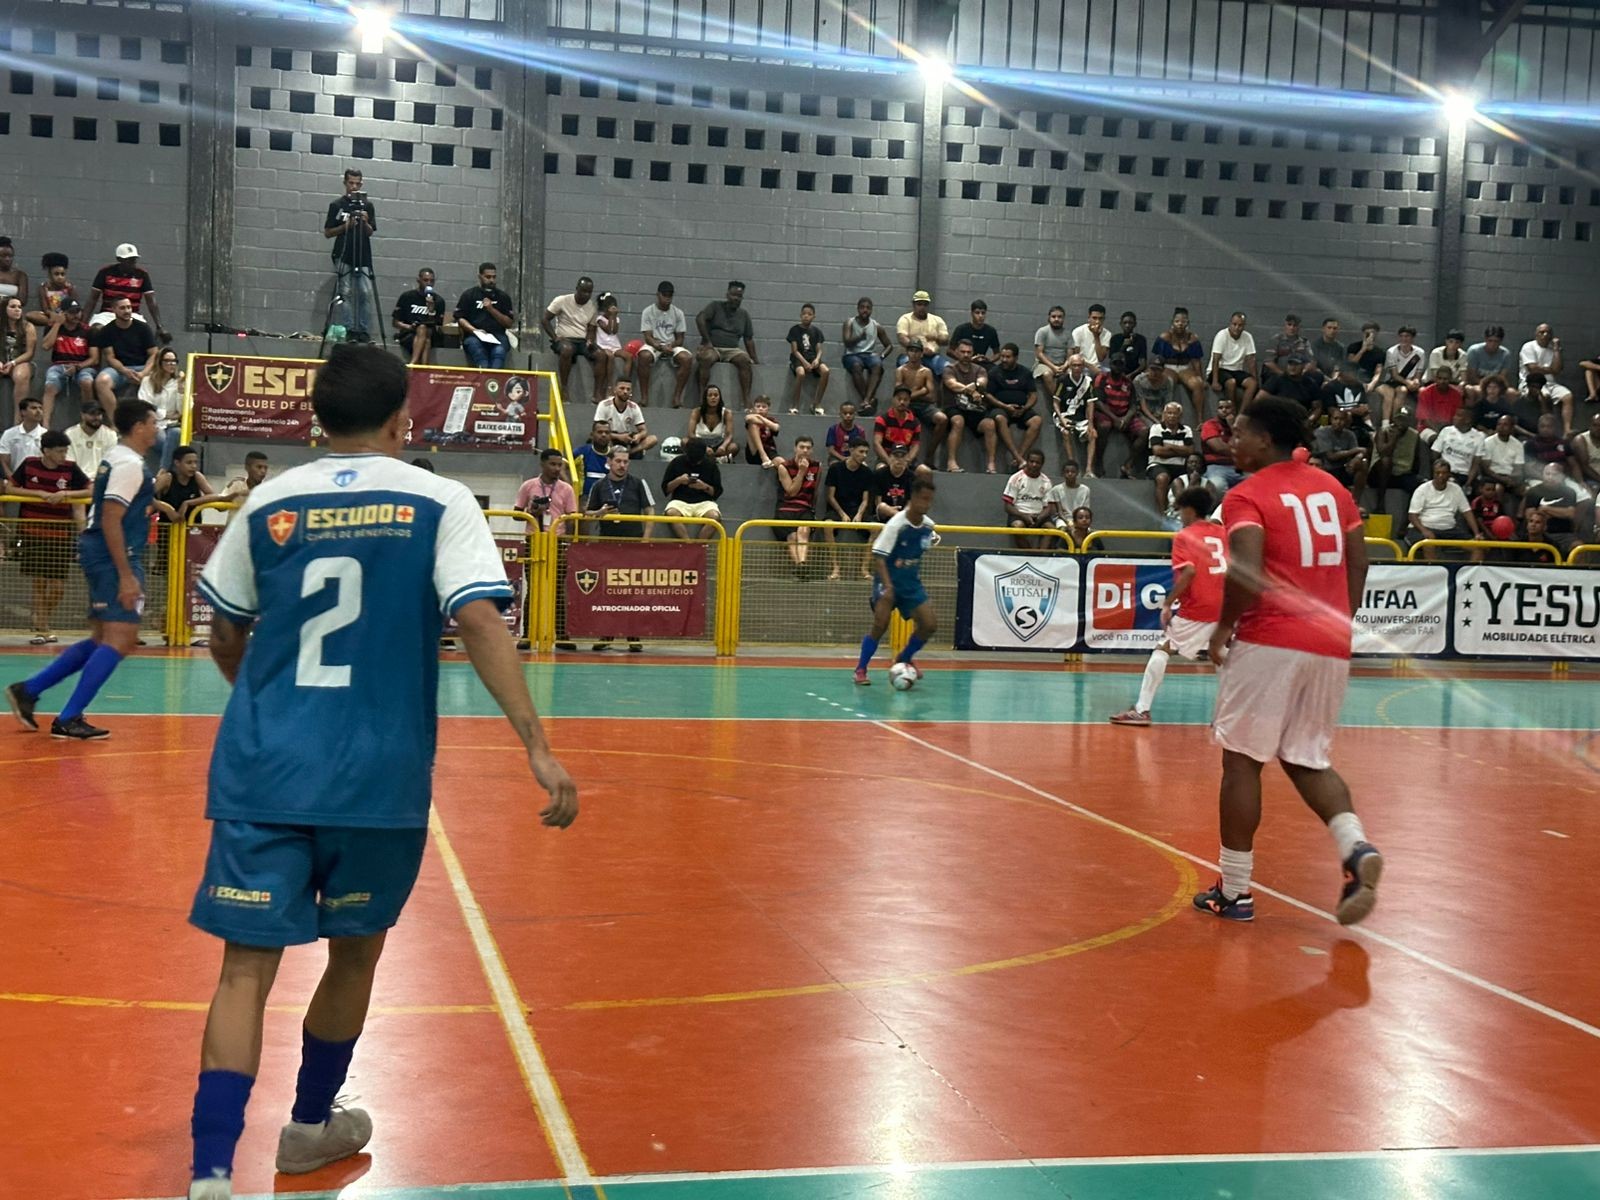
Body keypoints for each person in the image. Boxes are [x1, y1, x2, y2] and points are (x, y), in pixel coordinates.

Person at [171, 345, 576, 1200]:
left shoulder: (267, 501)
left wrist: (271, 709)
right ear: (405, 420)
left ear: (316, 421)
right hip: (376, 777)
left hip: (264, 770)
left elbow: (225, 634)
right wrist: (535, 744)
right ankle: (310, 1128)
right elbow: (478, 621)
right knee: (353, 957)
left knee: (244, 969)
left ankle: (209, 1178)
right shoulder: (441, 501)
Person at [1201, 396, 1383, 926]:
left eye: (1238, 432)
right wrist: (1339, 620)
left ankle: (1234, 893)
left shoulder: (1246, 494)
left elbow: (1248, 570)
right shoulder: (1334, 488)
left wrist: (1225, 626)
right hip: (1329, 643)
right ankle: (1356, 849)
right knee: (1308, 758)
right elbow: (1359, 559)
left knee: (1241, 761)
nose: (1229, 441)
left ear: (1266, 440)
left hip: (1269, 640)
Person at [6, 398, 159, 740]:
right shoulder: (128, 464)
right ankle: (68, 716)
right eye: (153, 423)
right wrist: (125, 575)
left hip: (103, 552)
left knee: (103, 638)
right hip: (111, 555)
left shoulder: (120, 459)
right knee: (121, 640)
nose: (157, 428)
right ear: (138, 427)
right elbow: (110, 517)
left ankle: (29, 690)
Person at [1110, 486, 1226, 726]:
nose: (1180, 514)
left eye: (1181, 509)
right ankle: (1225, 715)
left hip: (1199, 607)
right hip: (1225, 604)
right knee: (1221, 655)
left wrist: (1168, 603)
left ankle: (1142, 709)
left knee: (1163, 648)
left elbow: (1190, 572)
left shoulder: (1184, 536)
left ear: (1191, 510)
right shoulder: (1222, 533)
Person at [10, 430, 92, 645]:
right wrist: (38, 494)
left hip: (61, 533)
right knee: (39, 582)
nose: (64, 455)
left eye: (65, 450)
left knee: (57, 586)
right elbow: (10, 487)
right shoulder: (29, 464)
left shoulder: (70, 468)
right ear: (46, 451)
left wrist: (65, 494)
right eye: (59, 451)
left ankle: (40, 618)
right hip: (32, 531)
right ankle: (43, 629)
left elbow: (89, 489)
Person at [855, 476, 937, 686]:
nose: (925, 504)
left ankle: (905, 657)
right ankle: (861, 668)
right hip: (887, 581)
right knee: (880, 624)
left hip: (910, 584)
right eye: (922, 499)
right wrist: (889, 586)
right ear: (912, 498)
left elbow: (924, 547)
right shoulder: (896, 525)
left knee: (929, 625)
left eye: (929, 500)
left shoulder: (928, 526)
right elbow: (879, 556)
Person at [321, 172, 377, 341]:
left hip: (363, 255)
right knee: (345, 292)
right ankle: (350, 328)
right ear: (345, 183)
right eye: (351, 183)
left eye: (357, 184)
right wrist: (347, 225)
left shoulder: (368, 206)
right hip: (343, 253)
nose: (354, 187)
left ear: (361, 185)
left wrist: (365, 222)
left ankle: (363, 330)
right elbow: (328, 232)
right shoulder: (337, 205)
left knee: (365, 292)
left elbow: (370, 232)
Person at [89, 296, 158, 415]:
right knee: (101, 381)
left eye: (129, 307)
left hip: (142, 367)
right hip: (119, 369)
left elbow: (154, 354)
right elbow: (110, 357)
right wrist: (125, 371)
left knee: (159, 378)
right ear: (114, 310)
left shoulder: (143, 328)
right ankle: (115, 423)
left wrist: (143, 374)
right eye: (122, 308)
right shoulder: (107, 330)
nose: (127, 311)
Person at [696, 281, 758, 410]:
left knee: (745, 361)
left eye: (739, 296)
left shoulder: (744, 315)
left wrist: (755, 358)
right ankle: (702, 397)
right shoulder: (715, 306)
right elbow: (700, 318)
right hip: (714, 347)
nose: (736, 298)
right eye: (734, 295)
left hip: (733, 349)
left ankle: (746, 400)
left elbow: (749, 339)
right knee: (706, 358)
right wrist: (707, 341)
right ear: (727, 294)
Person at [88, 242, 168, 342]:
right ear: (119, 259)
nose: (133, 263)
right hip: (108, 314)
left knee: (145, 333)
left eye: (134, 259)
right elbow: (92, 299)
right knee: (95, 330)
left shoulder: (142, 274)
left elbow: (151, 302)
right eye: (129, 260)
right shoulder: (105, 272)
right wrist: (82, 324)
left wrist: (159, 326)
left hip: (132, 314)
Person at [632, 281, 694, 408]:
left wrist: (671, 346)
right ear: (658, 295)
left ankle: (677, 397)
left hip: (671, 344)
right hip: (654, 344)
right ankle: (644, 397)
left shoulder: (678, 313)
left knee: (687, 358)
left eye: (670, 295)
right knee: (643, 356)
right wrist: (659, 346)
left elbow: (680, 338)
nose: (667, 298)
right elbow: (648, 337)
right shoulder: (648, 311)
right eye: (664, 295)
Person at [982, 342, 1042, 472]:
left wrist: (1025, 408)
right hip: (1000, 408)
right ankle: (1018, 457)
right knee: (1000, 418)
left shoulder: (1025, 372)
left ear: (1016, 358)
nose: (1004, 360)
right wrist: (1005, 406)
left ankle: (1017, 459)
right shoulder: (994, 372)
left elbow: (1033, 395)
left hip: (1021, 409)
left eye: (1007, 357)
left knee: (1036, 421)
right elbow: (988, 395)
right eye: (1002, 356)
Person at [40, 300, 99, 427]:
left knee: (86, 382)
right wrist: (57, 324)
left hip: (83, 366)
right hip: (59, 365)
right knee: (50, 385)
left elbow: (94, 359)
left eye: (78, 311)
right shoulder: (53, 328)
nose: (76, 315)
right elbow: (45, 346)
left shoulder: (89, 331)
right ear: (63, 313)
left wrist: (77, 367)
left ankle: (87, 421)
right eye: (72, 312)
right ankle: (45, 426)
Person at [1407, 458, 1482, 554]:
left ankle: (1469, 569)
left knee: (1478, 548)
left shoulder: (1456, 489)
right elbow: (1412, 516)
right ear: (1433, 474)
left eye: (1444, 473)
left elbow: (1467, 512)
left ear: (1449, 474)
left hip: (1450, 530)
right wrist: (1424, 530)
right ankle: (1434, 569)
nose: (1440, 476)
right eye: (1437, 473)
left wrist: (1476, 533)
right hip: (1425, 527)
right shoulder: (1422, 490)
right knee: (1428, 543)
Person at [541, 276, 598, 401]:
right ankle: (564, 389)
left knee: (602, 355)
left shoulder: (592, 306)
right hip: (564, 339)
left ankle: (597, 393)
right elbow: (545, 319)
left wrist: (590, 340)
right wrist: (554, 337)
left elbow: (592, 328)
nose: (586, 295)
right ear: (577, 289)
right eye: (583, 291)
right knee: (567, 349)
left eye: (589, 292)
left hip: (582, 341)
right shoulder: (562, 300)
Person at [823, 440, 874, 580]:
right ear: (851, 450)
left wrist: (859, 514)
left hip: (857, 509)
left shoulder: (867, 472)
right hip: (838, 508)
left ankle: (864, 569)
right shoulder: (836, 469)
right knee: (828, 526)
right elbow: (830, 497)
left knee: (877, 528)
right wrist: (842, 514)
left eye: (866, 452)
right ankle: (835, 568)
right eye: (861, 451)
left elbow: (865, 500)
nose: (864, 455)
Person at [1091, 354, 1146, 479]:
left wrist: (1126, 418)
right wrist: (1115, 419)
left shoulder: (1128, 382)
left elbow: (1133, 405)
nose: (1118, 367)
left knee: (1144, 431)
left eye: (1121, 364)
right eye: (1115, 363)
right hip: (1106, 413)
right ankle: (1098, 462)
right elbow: (1098, 402)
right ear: (1110, 364)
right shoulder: (1101, 378)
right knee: (1104, 426)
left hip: (1124, 415)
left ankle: (1128, 465)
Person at [938, 338, 989, 472]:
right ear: (956, 352)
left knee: (990, 424)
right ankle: (951, 462)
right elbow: (952, 384)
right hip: (953, 407)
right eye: (963, 352)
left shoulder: (980, 369)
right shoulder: (949, 368)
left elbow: (982, 382)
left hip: (974, 409)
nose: (966, 355)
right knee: (958, 421)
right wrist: (972, 390)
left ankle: (991, 465)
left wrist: (975, 386)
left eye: (969, 352)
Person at [455, 262, 515, 370]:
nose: (491, 280)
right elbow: (460, 318)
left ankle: (493, 379)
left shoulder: (503, 297)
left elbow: (509, 323)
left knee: (499, 352)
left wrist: (491, 309)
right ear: (480, 277)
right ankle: (483, 379)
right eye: (488, 277)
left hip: (498, 335)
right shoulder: (469, 295)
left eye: (494, 277)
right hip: (475, 335)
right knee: (479, 353)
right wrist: (474, 331)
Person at [774, 436, 822, 572]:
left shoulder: (817, 466)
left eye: (808, 448)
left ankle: (801, 566)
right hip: (786, 508)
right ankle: (801, 566)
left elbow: (816, 491)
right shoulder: (784, 467)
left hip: (805, 508)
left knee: (803, 530)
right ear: (795, 448)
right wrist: (801, 472)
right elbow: (791, 492)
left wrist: (813, 511)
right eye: (802, 447)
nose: (805, 451)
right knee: (793, 536)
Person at [894, 340, 947, 460]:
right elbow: (899, 395)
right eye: (911, 351)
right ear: (907, 352)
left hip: (925, 405)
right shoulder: (901, 370)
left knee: (942, 419)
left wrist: (910, 394)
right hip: (907, 406)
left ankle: (929, 456)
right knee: (901, 414)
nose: (914, 354)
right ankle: (905, 456)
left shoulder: (926, 372)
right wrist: (922, 391)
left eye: (917, 351)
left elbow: (931, 397)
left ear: (921, 354)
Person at [661, 439, 723, 540]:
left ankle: (698, 546)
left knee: (715, 517)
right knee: (671, 513)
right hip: (680, 501)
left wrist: (704, 487)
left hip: (704, 502)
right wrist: (679, 480)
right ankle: (688, 544)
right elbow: (666, 489)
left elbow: (717, 492)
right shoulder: (676, 462)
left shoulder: (710, 465)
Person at [1152, 307, 1206, 420]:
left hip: (1185, 367)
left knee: (1197, 384)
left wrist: (1201, 377)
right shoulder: (1164, 337)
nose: (1180, 324)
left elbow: (1196, 361)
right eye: (1177, 321)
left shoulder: (1193, 339)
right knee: (1169, 382)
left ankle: (1200, 419)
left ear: (1187, 323)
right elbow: (1157, 358)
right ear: (1172, 322)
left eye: (1183, 321)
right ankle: (1164, 417)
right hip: (1168, 366)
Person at [841, 297, 893, 413]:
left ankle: (866, 401)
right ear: (858, 309)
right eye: (862, 308)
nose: (865, 310)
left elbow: (889, 345)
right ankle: (869, 400)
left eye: (868, 308)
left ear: (871, 310)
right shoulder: (849, 322)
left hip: (868, 355)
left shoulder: (876, 326)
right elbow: (847, 342)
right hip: (851, 354)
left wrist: (882, 356)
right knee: (856, 365)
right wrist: (859, 336)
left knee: (878, 364)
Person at [1519, 323, 1572, 433]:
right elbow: (1533, 369)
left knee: (1568, 396)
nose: (1545, 334)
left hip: (1550, 383)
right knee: (1545, 395)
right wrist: (1551, 369)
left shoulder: (1552, 349)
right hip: (1532, 383)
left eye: (1548, 332)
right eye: (1541, 332)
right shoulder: (1529, 346)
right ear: (1536, 334)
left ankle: (1567, 430)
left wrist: (1557, 349)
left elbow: (1558, 369)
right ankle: (1546, 429)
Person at [139, 346, 186, 470]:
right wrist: (166, 414)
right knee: (166, 443)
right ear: (160, 362)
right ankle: (168, 472)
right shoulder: (147, 381)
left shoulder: (178, 383)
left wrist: (181, 390)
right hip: (154, 424)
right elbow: (145, 406)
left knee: (176, 433)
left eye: (174, 361)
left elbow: (181, 412)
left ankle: (163, 471)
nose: (171, 364)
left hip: (172, 425)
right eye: (167, 361)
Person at [1145, 401, 1195, 515]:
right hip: (1157, 464)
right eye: (1169, 413)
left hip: (1180, 466)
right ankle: (1162, 514)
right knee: (1162, 478)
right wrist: (1180, 450)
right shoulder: (1156, 428)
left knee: (1192, 478)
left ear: (1180, 416)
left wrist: (1169, 447)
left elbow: (1190, 451)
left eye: (1175, 413)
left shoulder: (1186, 429)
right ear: (1164, 414)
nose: (1171, 416)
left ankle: (1184, 515)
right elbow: (1158, 451)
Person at [1309, 406, 1370, 499]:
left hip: (1343, 468)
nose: (1338, 422)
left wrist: (1357, 458)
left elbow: (1360, 452)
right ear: (1331, 419)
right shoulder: (1322, 432)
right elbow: (1331, 456)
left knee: (1363, 463)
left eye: (1342, 419)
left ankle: (1355, 501)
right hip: (1326, 467)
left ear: (1346, 421)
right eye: (1335, 419)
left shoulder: (1349, 434)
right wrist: (1354, 451)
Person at [1051, 352, 1097, 473]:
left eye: (1079, 365)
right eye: (1074, 365)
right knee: (1066, 432)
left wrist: (1091, 424)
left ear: (1083, 366)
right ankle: (1071, 467)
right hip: (1064, 415)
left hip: (1081, 417)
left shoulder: (1087, 381)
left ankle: (1088, 469)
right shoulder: (1063, 380)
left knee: (1093, 434)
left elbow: (1090, 403)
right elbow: (1055, 402)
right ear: (1070, 366)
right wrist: (1061, 419)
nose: (1077, 368)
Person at [391, 268, 447, 364]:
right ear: (418, 280)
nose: (429, 283)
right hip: (409, 333)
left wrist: (431, 311)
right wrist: (409, 327)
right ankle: (422, 368)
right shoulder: (407, 296)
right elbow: (395, 322)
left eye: (431, 281)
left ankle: (413, 363)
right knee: (425, 339)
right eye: (425, 280)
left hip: (430, 334)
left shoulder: (438, 301)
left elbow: (438, 325)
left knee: (425, 330)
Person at [515, 447, 578, 533]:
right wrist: (532, 513)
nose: (557, 469)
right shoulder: (528, 485)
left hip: (557, 539)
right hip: (534, 537)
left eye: (559, 465)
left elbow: (571, 518)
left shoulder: (567, 489)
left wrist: (568, 541)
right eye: (553, 464)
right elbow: (516, 515)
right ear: (542, 464)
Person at [1208, 311, 1258, 411]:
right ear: (1230, 323)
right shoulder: (1222, 335)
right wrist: (1215, 381)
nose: (1236, 327)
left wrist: (1255, 379)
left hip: (1236, 370)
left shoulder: (1247, 337)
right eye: (1234, 324)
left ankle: (1243, 413)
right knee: (1231, 382)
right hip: (1221, 369)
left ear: (1244, 326)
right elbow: (1216, 359)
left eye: (1240, 325)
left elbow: (1251, 360)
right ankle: (1232, 411)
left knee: (1252, 384)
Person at [154, 444, 217, 524]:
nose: (193, 466)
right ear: (177, 463)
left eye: (195, 462)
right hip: (169, 530)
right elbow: (146, 496)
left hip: (193, 530)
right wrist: (167, 509)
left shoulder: (197, 476)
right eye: (189, 463)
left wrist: (188, 503)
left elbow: (214, 496)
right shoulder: (167, 478)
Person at [1002, 449, 1053, 549]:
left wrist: (1039, 518)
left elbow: (1049, 507)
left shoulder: (1046, 481)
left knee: (1051, 529)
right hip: (1020, 514)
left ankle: (1041, 555)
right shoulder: (1016, 478)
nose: (1034, 465)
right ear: (1027, 462)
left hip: (1039, 515)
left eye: (1037, 462)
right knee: (1017, 527)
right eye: (1031, 461)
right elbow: (1007, 506)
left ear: (1042, 464)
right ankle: (1029, 554)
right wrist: (1024, 516)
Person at [785, 303, 830, 414]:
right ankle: (795, 405)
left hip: (812, 358)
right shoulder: (794, 330)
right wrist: (804, 363)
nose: (806, 316)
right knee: (801, 373)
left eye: (809, 314)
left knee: (826, 371)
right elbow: (794, 351)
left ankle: (816, 403)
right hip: (799, 358)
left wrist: (817, 360)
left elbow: (819, 349)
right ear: (800, 315)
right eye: (804, 313)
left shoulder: (816, 331)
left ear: (813, 316)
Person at [594, 379, 658, 458]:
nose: (625, 391)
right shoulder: (604, 405)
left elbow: (644, 430)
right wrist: (618, 437)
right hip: (610, 436)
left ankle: (628, 453)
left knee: (653, 439)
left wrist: (638, 436)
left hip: (627, 437)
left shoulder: (634, 407)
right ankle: (611, 453)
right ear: (615, 390)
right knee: (600, 437)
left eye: (628, 389)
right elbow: (597, 430)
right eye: (622, 388)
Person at [895, 290, 948, 373]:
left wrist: (935, 337)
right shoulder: (905, 319)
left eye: (925, 305)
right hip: (909, 356)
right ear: (913, 305)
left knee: (947, 368)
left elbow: (945, 340)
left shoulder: (937, 320)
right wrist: (919, 350)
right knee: (907, 368)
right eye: (919, 304)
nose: (922, 307)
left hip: (932, 357)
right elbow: (902, 338)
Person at [1033, 305, 1075, 409]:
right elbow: (1039, 354)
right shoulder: (1042, 332)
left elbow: (1070, 354)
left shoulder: (1068, 334)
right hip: (1044, 365)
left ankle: (1074, 404)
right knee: (1047, 374)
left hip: (1063, 365)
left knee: (1073, 373)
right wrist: (1053, 367)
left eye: (1059, 317)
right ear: (1049, 318)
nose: (1056, 319)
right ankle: (1059, 401)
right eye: (1054, 316)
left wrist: (1065, 366)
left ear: (1063, 318)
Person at [587, 291, 625, 403]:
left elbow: (614, 330)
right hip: (603, 345)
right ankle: (609, 386)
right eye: (611, 308)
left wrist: (613, 317)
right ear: (605, 308)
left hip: (614, 345)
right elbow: (609, 330)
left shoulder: (616, 319)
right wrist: (612, 316)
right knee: (610, 357)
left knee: (628, 357)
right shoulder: (599, 319)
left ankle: (625, 382)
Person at [1200, 397, 1243, 493]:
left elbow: (1247, 446)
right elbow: (1219, 448)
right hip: (1216, 467)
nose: (1224, 410)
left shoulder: (1240, 426)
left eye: (1227, 407)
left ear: (1233, 410)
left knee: (1260, 483)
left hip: (1239, 467)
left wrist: (1232, 426)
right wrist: (1239, 451)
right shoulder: (1210, 425)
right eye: (1221, 408)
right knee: (1217, 486)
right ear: (1217, 410)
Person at [1, 295, 37, 403]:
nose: (17, 310)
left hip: (21, 362)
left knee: (21, 375)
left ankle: (20, 418)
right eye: (13, 307)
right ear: (3, 309)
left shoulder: (28, 327)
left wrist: (13, 362)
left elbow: (30, 353)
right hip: (1, 361)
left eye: (19, 307)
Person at [67, 403, 118, 480]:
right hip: (77, 480)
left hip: (101, 479)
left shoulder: (110, 435)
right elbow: (69, 461)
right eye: (92, 414)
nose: (96, 417)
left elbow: (110, 462)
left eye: (99, 414)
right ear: (82, 415)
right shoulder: (70, 434)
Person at [874, 385, 922, 466]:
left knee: (924, 472)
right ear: (893, 399)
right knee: (880, 468)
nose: (902, 402)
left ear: (909, 401)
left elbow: (915, 445)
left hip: (905, 458)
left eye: (905, 399)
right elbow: (876, 443)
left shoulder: (915, 422)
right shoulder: (882, 419)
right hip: (887, 457)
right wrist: (889, 461)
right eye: (899, 399)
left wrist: (907, 461)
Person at [688, 386, 737, 462]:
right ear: (705, 398)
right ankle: (717, 459)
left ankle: (710, 459)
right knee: (685, 442)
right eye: (710, 395)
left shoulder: (727, 413)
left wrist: (723, 446)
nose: (713, 397)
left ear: (719, 398)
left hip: (719, 443)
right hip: (701, 443)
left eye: (716, 395)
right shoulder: (696, 412)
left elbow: (729, 435)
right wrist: (704, 447)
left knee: (733, 447)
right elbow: (691, 434)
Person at [28, 251, 78, 327]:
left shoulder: (69, 288)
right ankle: (56, 323)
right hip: (51, 315)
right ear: (50, 275)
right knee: (30, 315)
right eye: (56, 274)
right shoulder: (44, 288)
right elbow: (45, 309)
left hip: (66, 316)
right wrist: (52, 314)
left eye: (62, 274)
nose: (60, 277)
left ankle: (59, 323)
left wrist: (65, 315)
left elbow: (75, 306)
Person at [0, 396, 47, 477]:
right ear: (23, 412)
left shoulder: (47, 435)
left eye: (40, 408)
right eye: (34, 408)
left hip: (40, 480)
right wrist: (13, 481)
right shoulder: (9, 434)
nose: (39, 411)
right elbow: (4, 462)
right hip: (13, 479)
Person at [950, 299, 1001, 367]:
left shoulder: (991, 331)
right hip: (963, 363)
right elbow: (950, 351)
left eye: (983, 313)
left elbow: (997, 353)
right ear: (972, 313)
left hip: (982, 364)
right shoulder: (961, 329)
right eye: (977, 313)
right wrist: (966, 359)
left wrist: (988, 360)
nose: (980, 316)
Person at [1045, 461, 1091, 535]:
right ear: (1063, 473)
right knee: (1063, 530)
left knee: (1087, 532)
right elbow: (1060, 512)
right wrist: (1069, 523)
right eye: (1067, 472)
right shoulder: (1056, 489)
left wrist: (1077, 522)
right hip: (1063, 519)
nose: (1070, 474)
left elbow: (1085, 510)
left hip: (1080, 519)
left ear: (1077, 473)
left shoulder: (1085, 490)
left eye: (1073, 472)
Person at [575, 421, 613, 502]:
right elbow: (562, 465)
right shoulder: (581, 452)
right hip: (585, 498)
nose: (603, 435)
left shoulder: (615, 455)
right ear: (592, 435)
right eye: (600, 432)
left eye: (607, 432)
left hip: (609, 499)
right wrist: (572, 487)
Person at [744, 394, 781, 467]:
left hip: (769, 450)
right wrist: (768, 423)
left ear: (768, 409)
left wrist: (760, 418)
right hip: (754, 452)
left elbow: (776, 428)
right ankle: (763, 456)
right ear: (754, 408)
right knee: (753, 425)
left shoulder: (772, 420)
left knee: (782, 463)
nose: (760, 409)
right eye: (758, 406)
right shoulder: (751, 418)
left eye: (764, 407)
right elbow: (748, 418)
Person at [1069, 303, 1110, 368]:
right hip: (1081, 365)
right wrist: (1090, 367)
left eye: (1100, 318)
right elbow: (1076, 355)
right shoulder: (1078, 331)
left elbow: (1101, 358)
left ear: (1104, 319)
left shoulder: (1107, 334)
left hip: (1099, 367)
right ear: (1089, 318)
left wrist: (1096, 336)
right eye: (1094, 318)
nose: (1097, 322)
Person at [1109, 310, 1148, 375]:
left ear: (1135, 324)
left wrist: (1131, 375)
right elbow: (1113, 361)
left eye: (1130, 323)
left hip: (1135, 373)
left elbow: (1143, 364)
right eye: (1125, 323)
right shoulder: (1115, 339)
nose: (1127, 325)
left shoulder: (1141, 339)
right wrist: (1123, 346)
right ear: (1121, 324)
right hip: (1118, 373)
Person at [0, 235, 28, 308]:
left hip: (11, 313)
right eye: (3, 256)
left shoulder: (20, 275)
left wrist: (3, 301)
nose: (7, 259)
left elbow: (22, 300)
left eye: (10, 256)